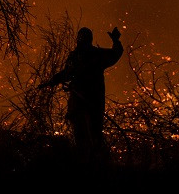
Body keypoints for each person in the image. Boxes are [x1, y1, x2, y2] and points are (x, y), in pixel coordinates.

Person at [39, 26, 123, 164]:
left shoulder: (82, 56)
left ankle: (90, 164)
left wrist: (53, 81)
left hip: (87, 102)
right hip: (88, 102)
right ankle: (91, 164)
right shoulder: (90, 55)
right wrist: (52, 81)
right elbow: (115, 54)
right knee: (88, 136)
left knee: (88, 137)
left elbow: (67, 73)